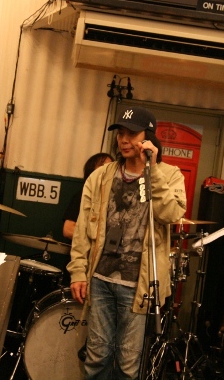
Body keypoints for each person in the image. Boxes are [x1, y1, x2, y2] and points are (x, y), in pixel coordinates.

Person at [67, 106, 187, 379]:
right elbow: (83, 229)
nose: (124, 140)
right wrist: (78, 272)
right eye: (120, 133)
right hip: (100, 279)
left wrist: (152, 170)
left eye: (131, 134)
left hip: (138, 286)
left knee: (128, 365)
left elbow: (171, 213)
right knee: (96, 358)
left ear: (148, 138)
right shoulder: (101, 176)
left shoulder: (170, 175)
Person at [62, 152, 114, 241]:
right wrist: (97, 240)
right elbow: (68, 230)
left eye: (110, 166)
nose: (107, 169)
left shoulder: (115, 198)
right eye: (102, 166)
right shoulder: (82, 196)